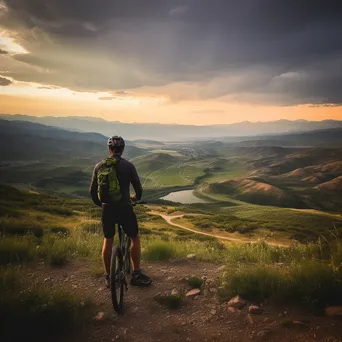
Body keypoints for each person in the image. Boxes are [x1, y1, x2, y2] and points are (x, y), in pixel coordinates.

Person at [90, 135, 152, 287]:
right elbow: (138, 189)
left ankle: (108, 277)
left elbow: (92, 192)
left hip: (107, 208)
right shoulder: (128, 166)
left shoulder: (99, 166)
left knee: (108, 240)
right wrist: (135, 197)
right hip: (124, 207)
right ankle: (136, 273)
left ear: (109, 149)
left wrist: (103, 204)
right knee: (134, 238)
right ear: (122, 150)